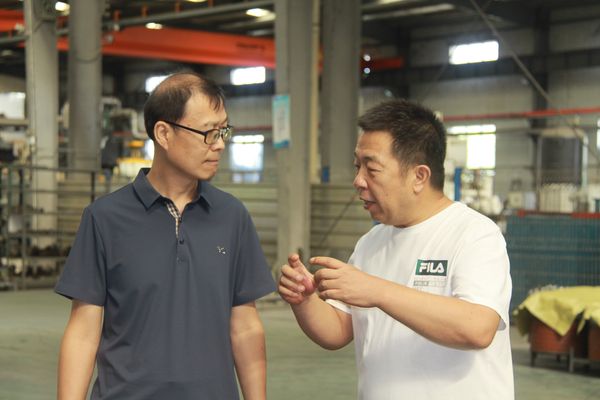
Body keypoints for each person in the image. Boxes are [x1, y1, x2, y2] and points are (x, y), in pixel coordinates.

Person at [56, 72, 275, 400]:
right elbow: (84, 332)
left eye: (223, 131)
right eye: (208, 133)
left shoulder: (232, 217)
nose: (219, 144)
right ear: (164, 133)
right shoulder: (104, 219)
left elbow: (245, 326)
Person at [279, 99, 514, 400]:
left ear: (419, 176)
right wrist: (304, 300)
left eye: (372, 169)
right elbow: (338, 329)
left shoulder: (474, 234)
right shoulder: (370, 243)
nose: (358, 181)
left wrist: (376, 291)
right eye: (357, 166)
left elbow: (477, 327)